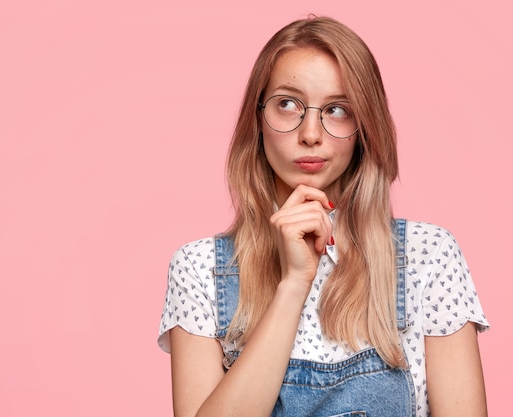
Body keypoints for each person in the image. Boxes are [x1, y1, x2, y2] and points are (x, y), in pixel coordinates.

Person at [157, 15, 489, 417]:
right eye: (287, 104)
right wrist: (294, 284)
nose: (311, 133)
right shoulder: (201, 270)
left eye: (336, 109)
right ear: (257, 118)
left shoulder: (428, 256)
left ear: (364, 126)